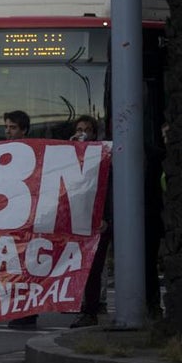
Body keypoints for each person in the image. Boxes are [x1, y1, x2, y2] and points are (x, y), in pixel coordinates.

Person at [71, 115, 109, 328]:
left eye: (87, 129)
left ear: (94, 134)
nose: (82, 133)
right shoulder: (69, 156)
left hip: (97, 220)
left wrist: (106, 218)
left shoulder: (103, 157)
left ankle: (90, 310)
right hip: (77, 218)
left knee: (94, 266)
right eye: (79, 129)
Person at [4, 110, 37, 329]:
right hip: (8, 217)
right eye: (6, 127)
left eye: (13, 127)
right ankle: (18, 310)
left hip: (28, 219)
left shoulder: (33, 151)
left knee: (28, 267)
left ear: (24, 130)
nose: (8, 131)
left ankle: (28, 312)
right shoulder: (0, 151)